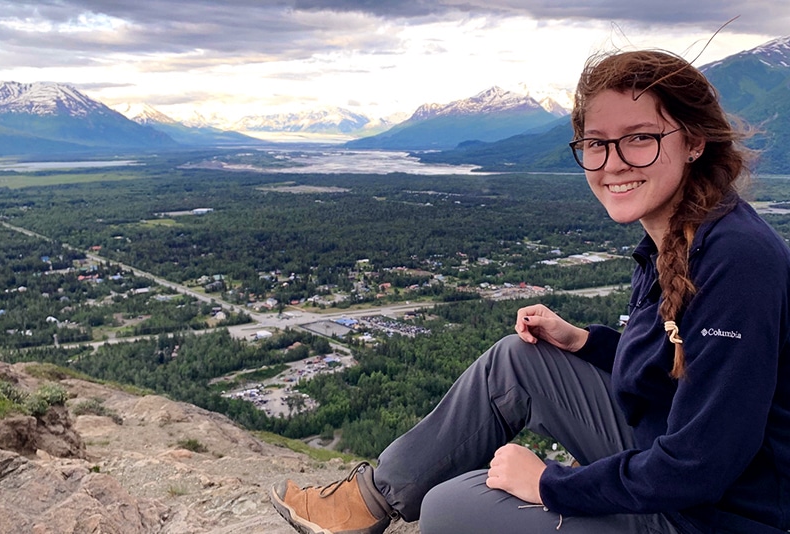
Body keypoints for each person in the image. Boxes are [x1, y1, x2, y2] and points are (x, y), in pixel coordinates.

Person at [271, 47, 790, 534]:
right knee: (518, 358)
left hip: (710, 514)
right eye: (595, 143)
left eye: (639, 138)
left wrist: (549, 483)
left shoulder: (737, 261)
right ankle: (363, 504)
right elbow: (679, 369)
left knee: (452, 508)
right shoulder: (677, 237)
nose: (612, 162)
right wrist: (585, 341)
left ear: (694, 142)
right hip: (672, 460)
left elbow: (703, 463)